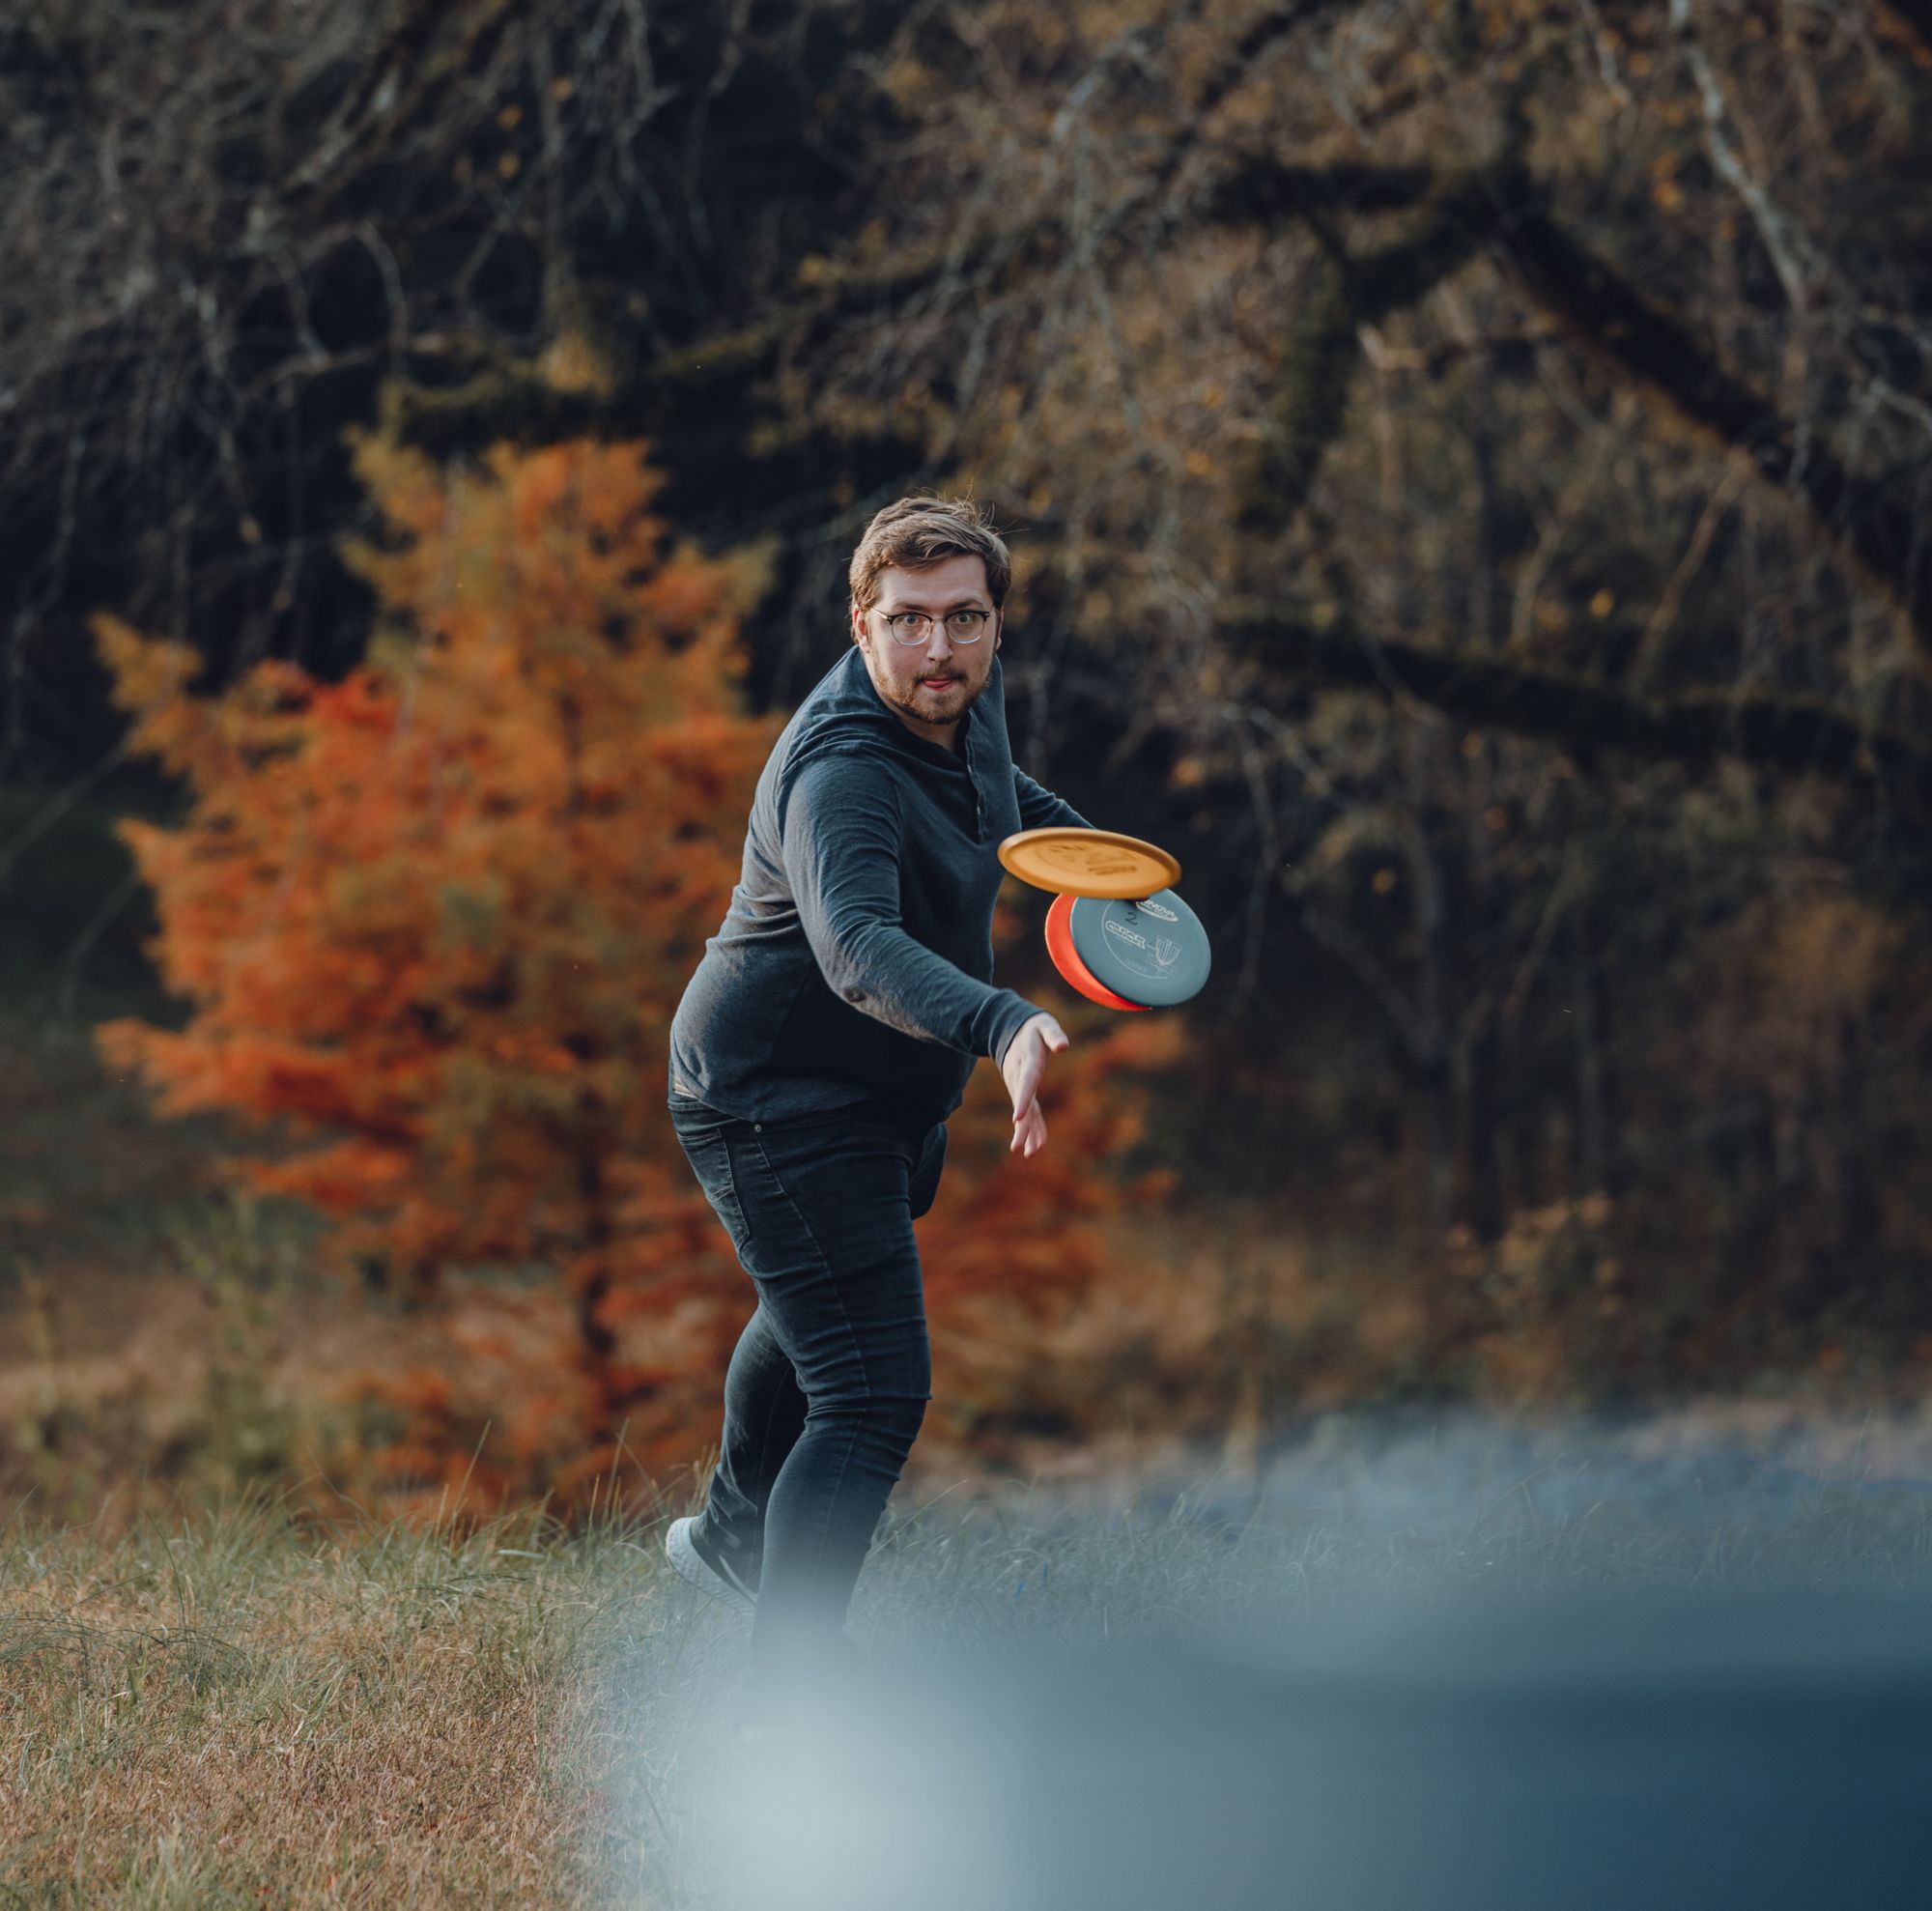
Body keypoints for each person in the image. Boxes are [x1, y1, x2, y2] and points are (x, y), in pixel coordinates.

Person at [662, 494, 1092, 1743]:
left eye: (966, 619)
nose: (941, 649)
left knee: (819, 1309)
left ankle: (737, 1533)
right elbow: (856, 948)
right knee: (871, 1384)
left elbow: (999, 798)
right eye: (908, 623)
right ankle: (786, 1707)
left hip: (874, 1086)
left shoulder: (963, 695)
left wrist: (1097, 860)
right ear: (862, 624)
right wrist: (1003, 1024)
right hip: (774, 1093)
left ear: (995, 625)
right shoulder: (840, 767)